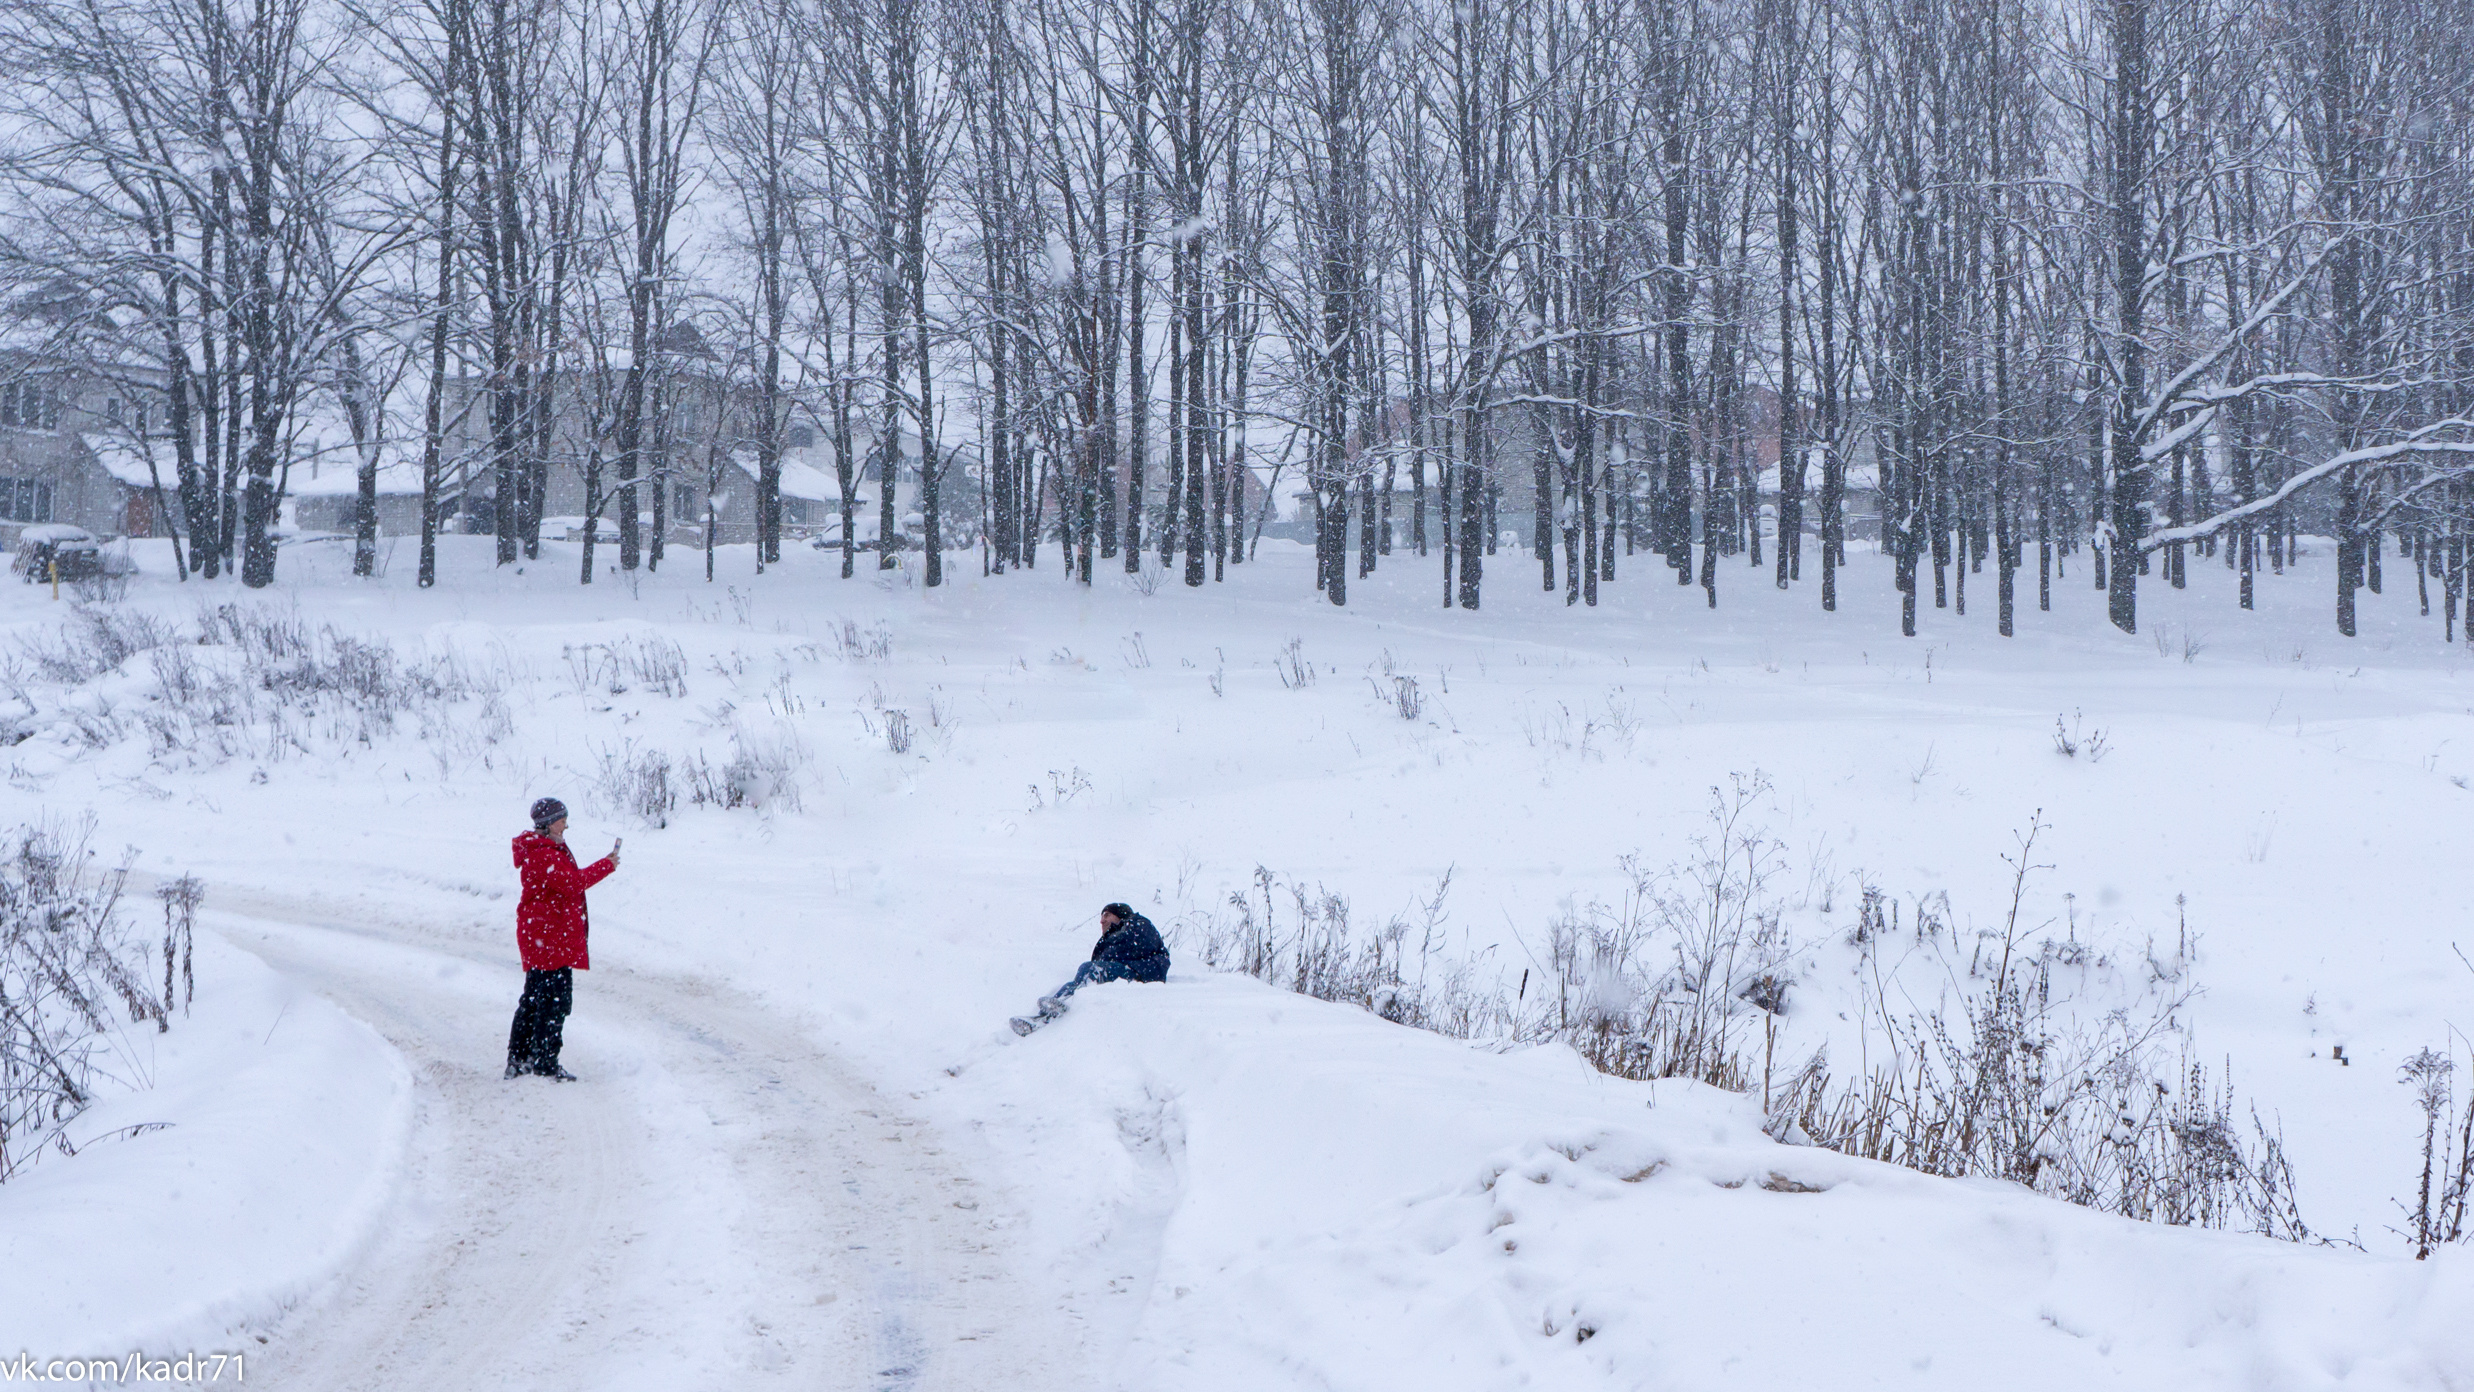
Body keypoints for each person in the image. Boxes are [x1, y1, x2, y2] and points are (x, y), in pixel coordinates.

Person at [505, 797, 620, 1080]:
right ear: (548, 823)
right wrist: (607, 864)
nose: (566, 825)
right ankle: (543, 1061)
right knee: (554, 1002)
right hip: (548, 939)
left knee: (535, 999)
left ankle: (522, 1059)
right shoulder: (543, 853)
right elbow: (572, 884)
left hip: (546, 937)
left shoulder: (546, 847)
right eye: (562, 820)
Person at [1010, 903, 1169, 1036]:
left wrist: (1108, 956)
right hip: (1127, 970)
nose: (1101, 921)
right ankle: (1041, 1018)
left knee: (1090, 969)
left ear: (1120, 915)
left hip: (1141, 972)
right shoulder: (1114, 938)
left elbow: (1136, 947)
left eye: (1106, 915)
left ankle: (1061, 1003)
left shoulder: (1138, 923)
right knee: (1078, 979)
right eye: (1101, 917)